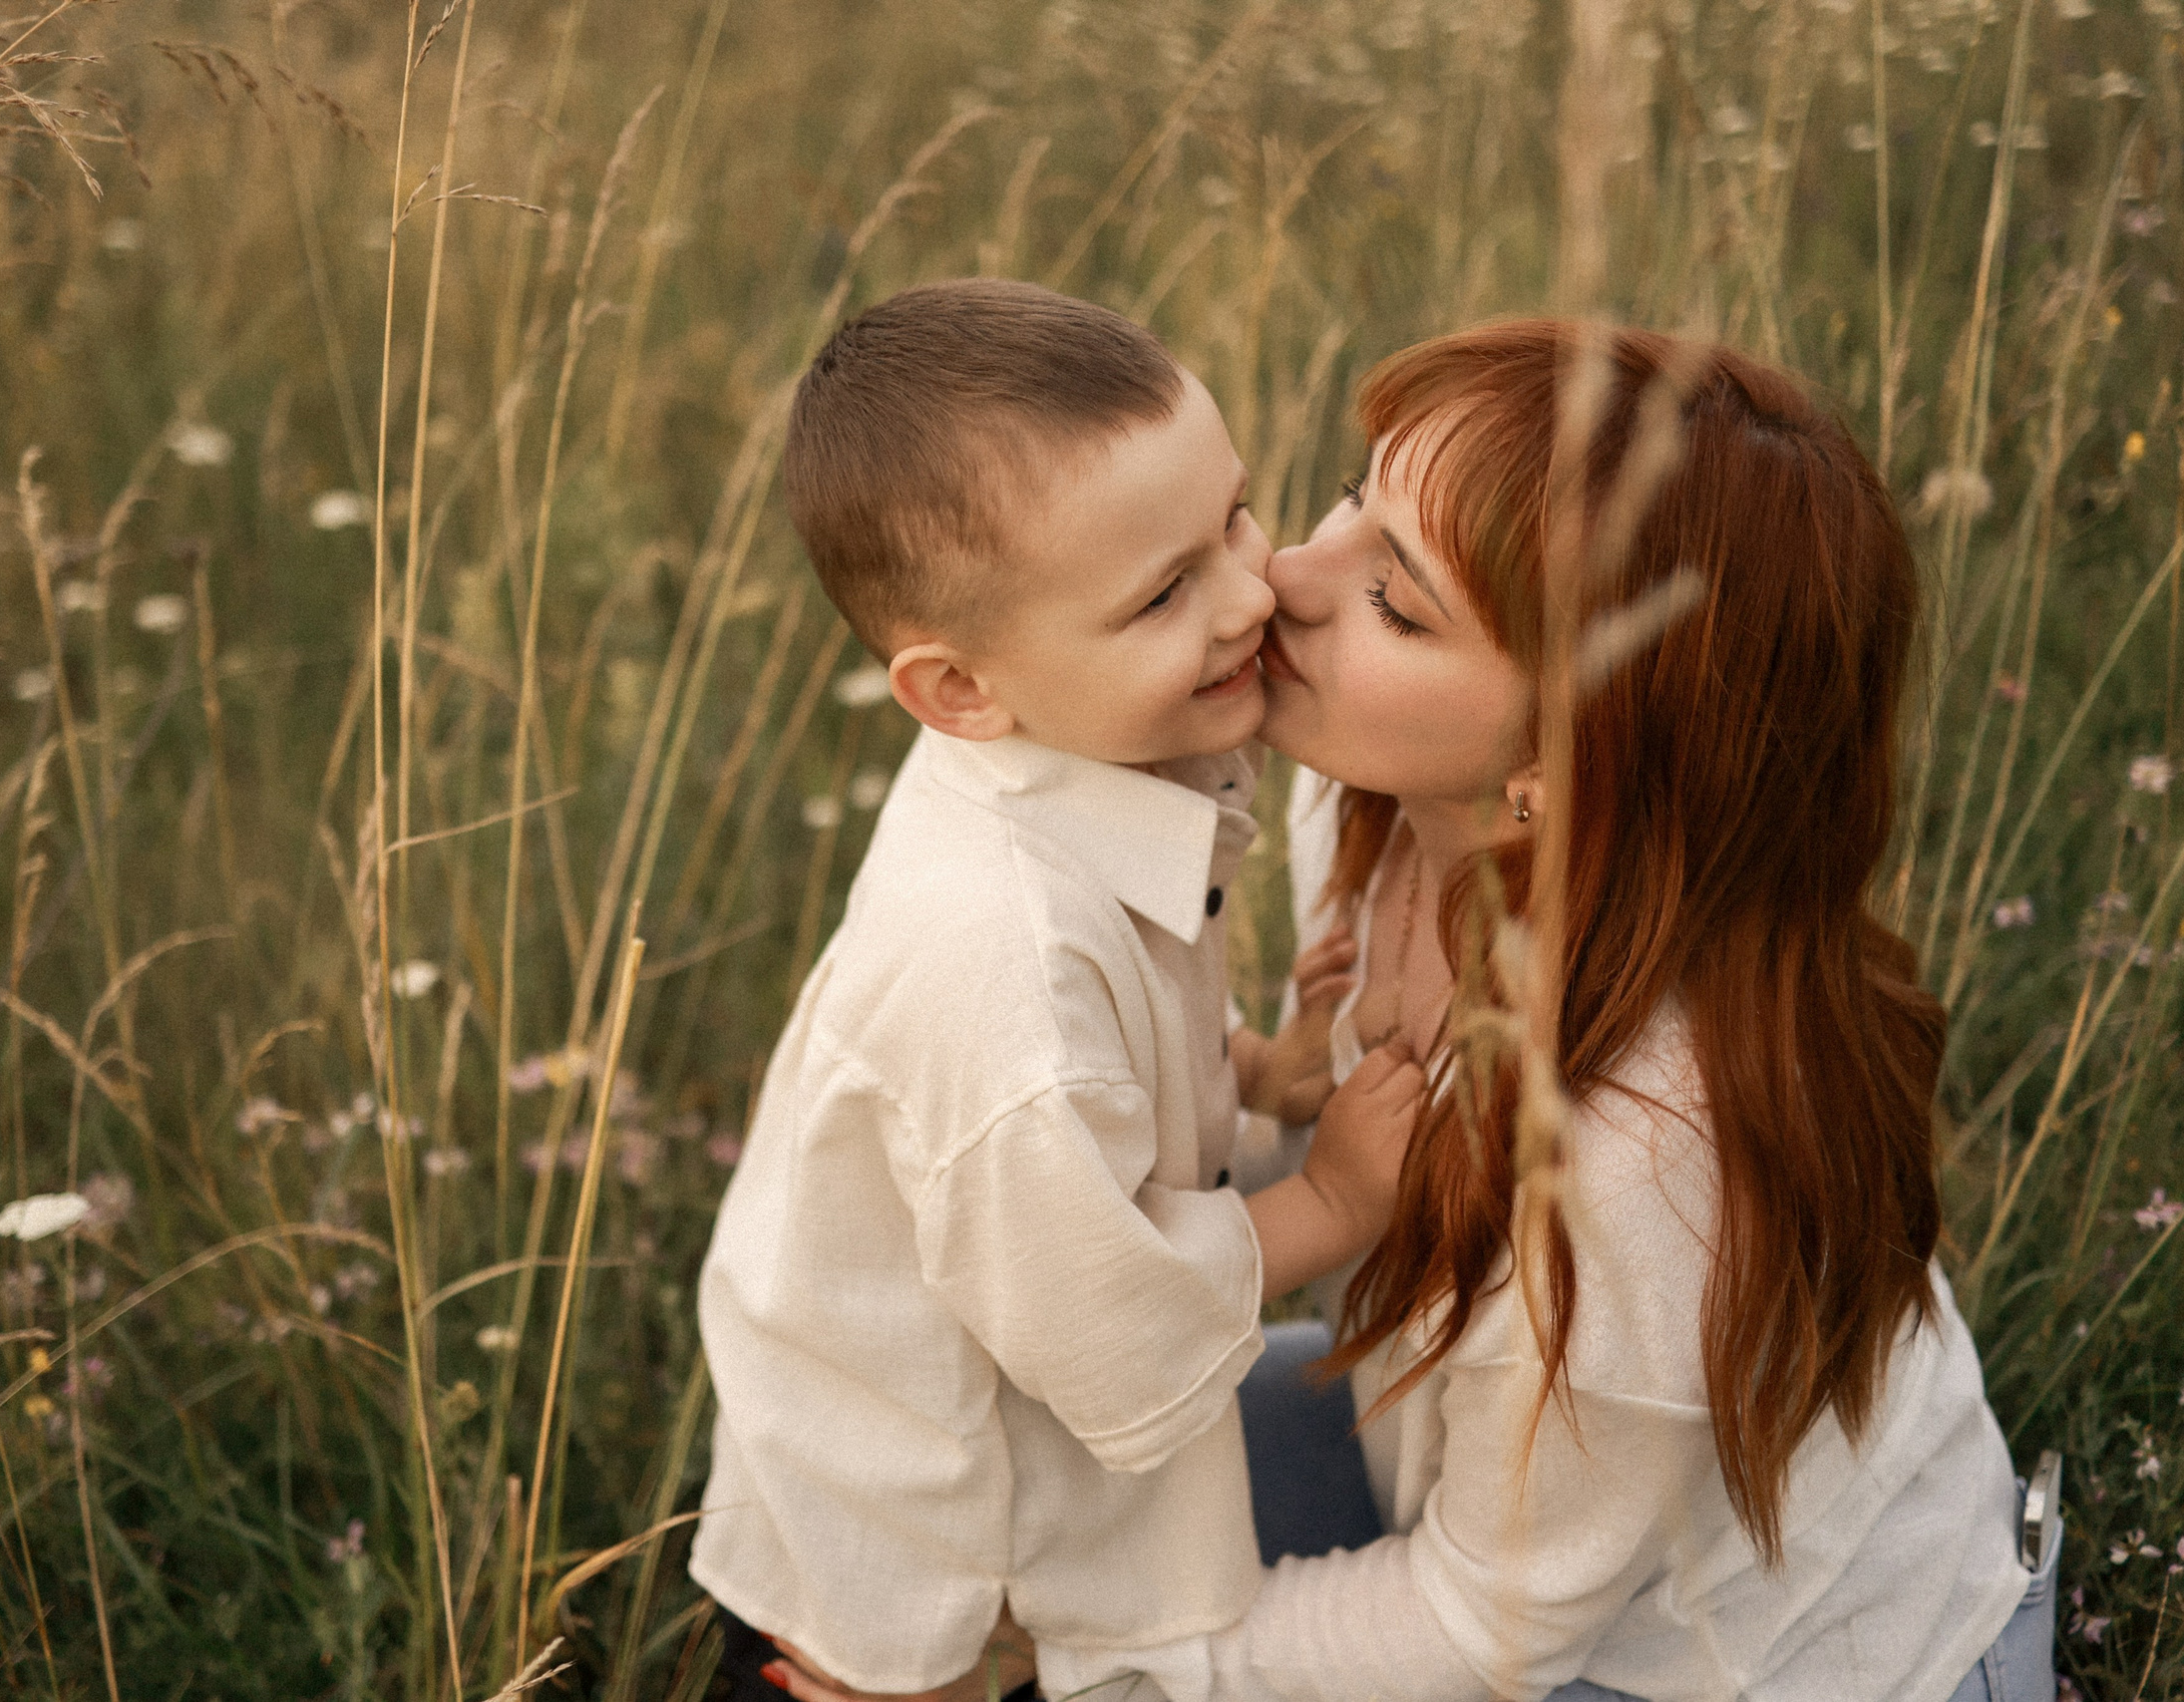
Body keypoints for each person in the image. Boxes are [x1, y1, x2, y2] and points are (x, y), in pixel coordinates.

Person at [768, 320, 2058, 1702]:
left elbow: (1478, 1633)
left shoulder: (1645, 1167)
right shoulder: (1363, 812)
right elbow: (1279, 1167)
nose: (1279, 586)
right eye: (1347, 497)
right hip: (1441, 1442)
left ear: (1562, 770)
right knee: (920, 1512)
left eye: (1400, 604)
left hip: (1730, 1670)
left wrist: (1073, 1661)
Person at [689, 278, 1422, 1702]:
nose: (1250, 593)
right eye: (1164, 594)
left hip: (968, 1534)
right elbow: (1108, 1325)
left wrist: (1250, 1074)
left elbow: (1101, 1074)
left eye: (1236, 516)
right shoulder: (998, 962)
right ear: (961, 690)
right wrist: (1330, 1201)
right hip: (922, 1624)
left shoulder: (1082, 738)